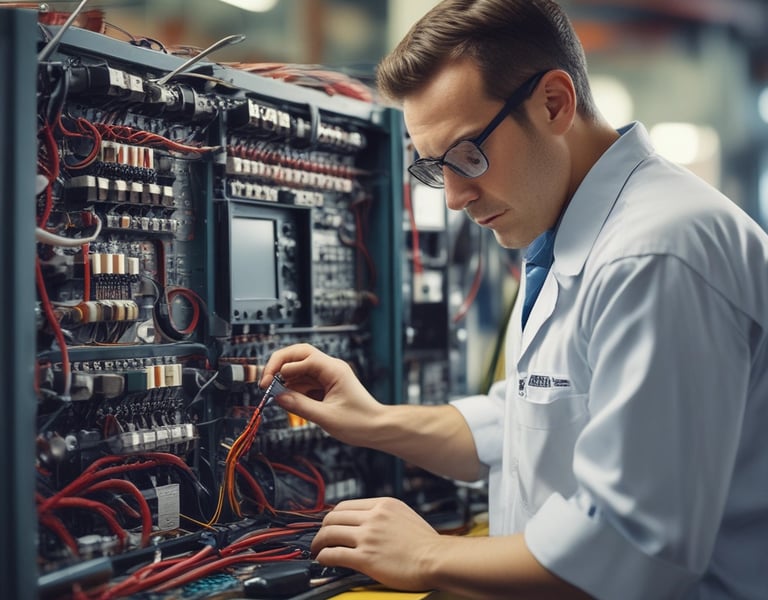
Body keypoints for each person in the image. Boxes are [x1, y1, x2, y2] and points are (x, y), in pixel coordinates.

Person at [260, 0, 768, 597]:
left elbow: (631, 548)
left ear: (554, 102)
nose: (453, 196)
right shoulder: (570, 232)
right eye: (433, 168)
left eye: (468, 154)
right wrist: (374, 422)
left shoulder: (656, 253)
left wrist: (426, 554)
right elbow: (525, 420)